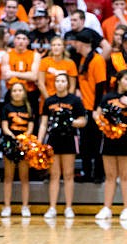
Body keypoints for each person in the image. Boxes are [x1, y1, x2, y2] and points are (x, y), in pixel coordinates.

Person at [94, 70, 127, 220]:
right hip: (109, 140)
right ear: (119, 81)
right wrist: (106, 125)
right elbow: (97, 115)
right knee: (110, 176)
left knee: (125, 176)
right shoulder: (108, 97)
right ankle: (107, 208)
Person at [37, 73, 87, 218]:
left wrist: (69, 120)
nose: (60, 83)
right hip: (53, 139)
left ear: (67, 83)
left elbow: (83, 121)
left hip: (69, 139)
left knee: (68, 174)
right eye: (57, 81)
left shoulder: (75, 100)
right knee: (54, 175)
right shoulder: (49, 101)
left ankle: (68, 207)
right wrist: (39, 143)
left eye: (62, 81)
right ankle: (52, 207)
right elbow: (44, 124)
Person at [74, 30, 106, 183]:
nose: (75, 44)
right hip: (85, 107)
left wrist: (96, 109)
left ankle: (98, 174)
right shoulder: (82, 59)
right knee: (85, 143)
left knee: (96, 143)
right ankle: (86, 173)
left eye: (77, 42)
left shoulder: (97, 60)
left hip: (94, 109)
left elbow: (100, 87)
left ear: (85, 43)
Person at [0, 81, 34, 217]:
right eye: (14, 91)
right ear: (11, 93)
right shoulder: (6, 107)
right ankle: (7, 206)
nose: (17, 93)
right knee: (8, 177)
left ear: (24, 93)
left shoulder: (29, 108)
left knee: (24, 177)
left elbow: (30, 126)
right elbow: (4, 126)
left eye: (20, 90)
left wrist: (24, 138)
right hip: (10, 144)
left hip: (24, 144)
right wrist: (13, 137)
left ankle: (25, 206)